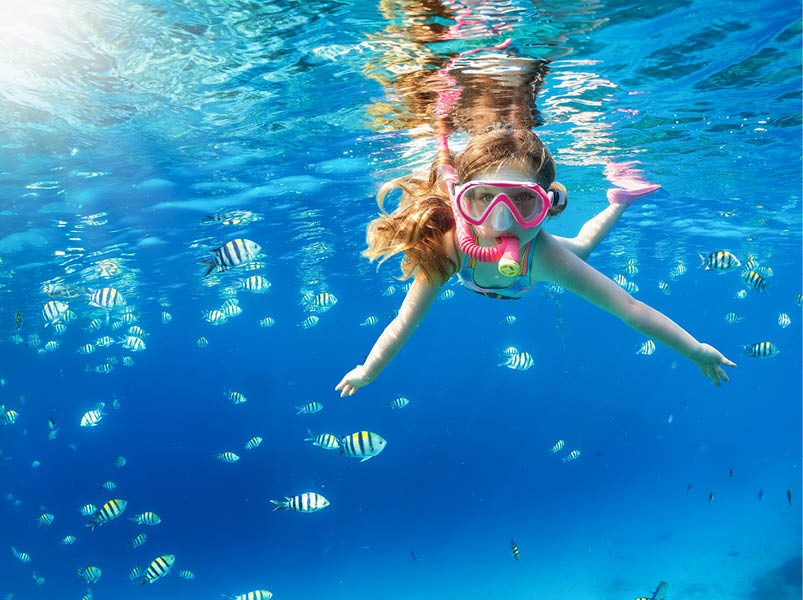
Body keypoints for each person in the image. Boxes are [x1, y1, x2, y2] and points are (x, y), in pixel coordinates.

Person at [335, 126, 736, 396]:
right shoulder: (450, 247)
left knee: (579, 246)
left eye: (524, 199)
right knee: (577, 249)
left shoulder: (545, 255)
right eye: (484, 197)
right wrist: (368, 370)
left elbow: (629, 308)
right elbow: (406, 319)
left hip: (530, 271)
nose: (501, 221)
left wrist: (696, 349)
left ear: (547, 203)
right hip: (510, 275)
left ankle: (619, 200)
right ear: (462, 201)